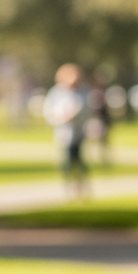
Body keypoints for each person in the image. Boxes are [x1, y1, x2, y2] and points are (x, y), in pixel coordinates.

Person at [42, 63, 91, 198]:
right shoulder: (56, 92)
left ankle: (81, 185)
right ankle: (68, 187)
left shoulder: (83, 91)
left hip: (79, 132)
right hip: (64, 133)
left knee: (79, 160)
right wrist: (62, 116)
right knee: (67, 162)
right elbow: (49, 112)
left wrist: (76, 113)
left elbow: (88, 109)